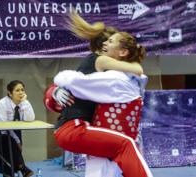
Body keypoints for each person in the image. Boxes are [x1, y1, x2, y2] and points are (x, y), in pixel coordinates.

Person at [44, 12, 149, 177]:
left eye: (111, 41)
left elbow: (67, 86)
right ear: (104, 48)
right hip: (79, 128)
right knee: (125, 146)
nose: (108, 43)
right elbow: (137, 69)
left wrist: (54, 90)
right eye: (109, 41)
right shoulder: (101, 61)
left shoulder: (108, 70)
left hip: (94, 129)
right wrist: (55, 90)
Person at [0, 80, 35, 177]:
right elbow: (4, 127)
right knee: (8, 141)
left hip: (13, 135)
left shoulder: (24, 102)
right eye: (17, 90)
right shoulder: (2, 104)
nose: (21, 92)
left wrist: (25, 102)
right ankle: (22, 168)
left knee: (10, 146)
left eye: (22, 90)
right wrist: (17, 141)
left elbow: (30, 119)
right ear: (10, 93)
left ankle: (13, 172)